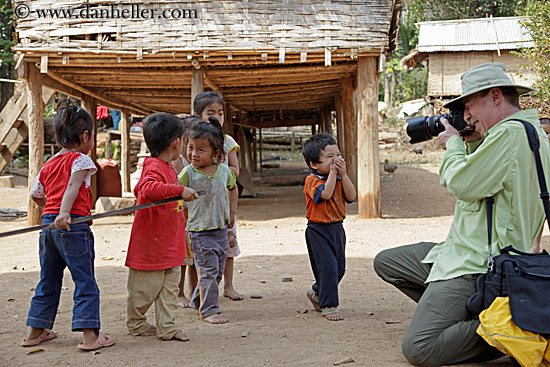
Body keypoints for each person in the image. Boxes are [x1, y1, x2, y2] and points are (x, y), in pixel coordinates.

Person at [374, 62, 550, 366]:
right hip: (462, 253)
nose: (466, 115)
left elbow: (462, 183)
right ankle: (474, 314)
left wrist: (454, 144)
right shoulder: (530, 132)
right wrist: (472, 144)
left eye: (469, 104)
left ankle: (508, 330)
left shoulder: (508, 134)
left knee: (419, 347)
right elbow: (493, 186)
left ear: (496, 97)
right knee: (387, 263)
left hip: (479, 263)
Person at [24, 100, 115, 350]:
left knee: (48, 278)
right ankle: (90, 336)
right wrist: (64, 213)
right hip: (73, 226)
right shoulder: (81, 160)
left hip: (48, 228)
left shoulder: (49, 163)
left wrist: (51, 212)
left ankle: (35, 331)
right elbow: (74, 186)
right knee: (84, 279)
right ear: (85, 135)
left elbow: (35, 194)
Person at [125, 112, 198, 342]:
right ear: (177, 143)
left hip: (170, 247)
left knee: (169, 291)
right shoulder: (153, 167)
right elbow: (146, 190)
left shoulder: (167, 167)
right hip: (150, 250)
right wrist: (179, 191)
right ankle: (136, 323)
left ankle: (168, 327)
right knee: (143, 292)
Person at [178, 117, 237, 324]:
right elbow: (177, 192)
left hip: (220, 229)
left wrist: (232, 211)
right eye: (191, 148)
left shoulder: (224, 172)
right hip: (199, 231)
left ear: (217, 154)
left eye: (200, 150)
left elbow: (233, 188)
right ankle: (209, 310)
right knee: (209, 270)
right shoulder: (188, 173)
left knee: (218, 270)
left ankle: (197, 300)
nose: (193, 153)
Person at [301, 133, 356, 321]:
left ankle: (316, 292)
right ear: (314, 164)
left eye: (338, 155)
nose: (336, 160)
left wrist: (344, 174)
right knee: (328, 268)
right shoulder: (312, 181)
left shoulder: (340, 178)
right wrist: (334, 173)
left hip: (337, 228)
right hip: (318, 230)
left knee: (339, 268)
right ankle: (329, 306)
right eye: (330, 157)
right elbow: (325, 194)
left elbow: (351, 196)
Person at [193, 92, 242, 301]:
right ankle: (196, 291)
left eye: (220, 113)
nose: (216, 117)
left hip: (222, 207)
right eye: (210, 113)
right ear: (198, 116)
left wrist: (218, 169)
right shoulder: (194, 140)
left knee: (227, 249)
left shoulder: (227, 140)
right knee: (198, 252)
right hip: (199, 208)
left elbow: (235, 170)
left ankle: (228, 286)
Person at [172, 115, 203, 308]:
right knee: (183, 258)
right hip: (183, 215)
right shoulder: (179, 162)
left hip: (198, 215)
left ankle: (194, 291)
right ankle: (179, 292)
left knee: (196, 257)